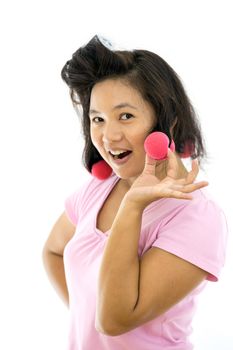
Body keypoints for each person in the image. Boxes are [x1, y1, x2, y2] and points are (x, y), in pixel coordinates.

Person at [42, 35, 228, 350]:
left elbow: (113, 322)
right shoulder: (98, 189)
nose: (109, 136)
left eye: (126, 116)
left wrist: (133, 205)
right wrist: (84, 315)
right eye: (97, 119)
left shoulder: (197, 218)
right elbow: (53, 252)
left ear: (167, 122)